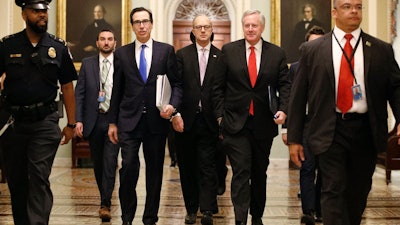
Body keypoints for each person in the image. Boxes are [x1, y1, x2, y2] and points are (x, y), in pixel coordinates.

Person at [287, 1, 400, 225]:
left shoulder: (380, 49)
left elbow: (395, 88)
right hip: (330, 129)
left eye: (358, 7)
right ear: (334, 12)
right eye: (347, 6)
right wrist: (294, 139)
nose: (354, 11)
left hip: (366, 130)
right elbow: (298, 97)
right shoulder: (312, 50)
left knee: (357, 194)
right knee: (332, 190)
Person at [0, 0, 77, 224]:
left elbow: (67, 86)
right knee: (17, 182)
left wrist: (71, 124)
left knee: (38, 177)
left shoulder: (58, 46)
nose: (42, 15)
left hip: (44, 122)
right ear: (24, 14)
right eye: (36, 11)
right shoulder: (7, 46)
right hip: (13, 124)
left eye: (44, 11)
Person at [213, 10, 291, 225]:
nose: (250, 29)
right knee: (240, 170)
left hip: (263, 124)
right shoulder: (229, 51)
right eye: (246, 25)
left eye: (254, 25)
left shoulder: (276, 53)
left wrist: (283, 109)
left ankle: (256, 216)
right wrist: (220, 116)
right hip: (234, 123)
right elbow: (217, 87)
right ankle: (239, 219)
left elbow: (285, 85)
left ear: (262, 27)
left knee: (259, 172)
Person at [108, 7, 183, 225]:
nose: (141, 26)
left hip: (156, 122)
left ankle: (150, 218)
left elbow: (177, 84)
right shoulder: (121, 53)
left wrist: (173, 106)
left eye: (145, 21)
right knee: (129, 168)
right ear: (132, 26)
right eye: (137, 22)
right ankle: (127, 218)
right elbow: (117, 90)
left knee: (154, 173)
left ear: (151, 24)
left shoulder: (166, 51)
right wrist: (113, 122)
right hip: (128, 121)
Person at [171, 14, 225, 225]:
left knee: (208, 167)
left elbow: (223, 90)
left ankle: (207, 210)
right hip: (186, 121)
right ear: (192, 31)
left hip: (211, 121)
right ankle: (191, 209)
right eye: (198, 27)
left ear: (212, 30)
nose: (202, 30)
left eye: (206, 27)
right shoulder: (182, 55)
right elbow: (177, 86)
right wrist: (175, 114)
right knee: (187, 167)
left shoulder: (221, 57)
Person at [74, 29, 120, 222]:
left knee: (110, 162)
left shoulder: (121, 64)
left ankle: (105, 203)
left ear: (115, 43)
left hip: (113, 121)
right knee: (99, 164)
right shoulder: (87, 63)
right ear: (97, 42)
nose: (106, 42)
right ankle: (105, 197)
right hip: (94, 120)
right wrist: (78, 120)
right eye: (102, 39)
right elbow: (80, 93)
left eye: (110, 39)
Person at [283, 25, 325, 225]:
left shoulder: (332, 65)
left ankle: (320, 208)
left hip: (327, 125)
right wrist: (287, 130)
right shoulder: (296, 68)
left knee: (325, 169)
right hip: (306, 125)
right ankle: (308, 210)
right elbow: (292, 101)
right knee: (307, 168)